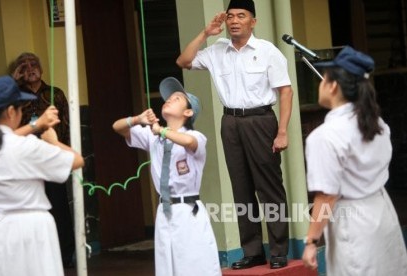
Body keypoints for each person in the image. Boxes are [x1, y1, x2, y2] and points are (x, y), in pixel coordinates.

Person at [176, 0, 292, 269]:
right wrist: (206, 33)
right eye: (230, 16)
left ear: (253, 21)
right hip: (230, 122)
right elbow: (184, 61)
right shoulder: (217, 50)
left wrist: (282, 131)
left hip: (261, 121)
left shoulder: (267, 51)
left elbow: (286, 91)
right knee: (241, 188)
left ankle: (278, 250)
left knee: (269, 188)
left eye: (241, 16)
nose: (234, 21)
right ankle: (252, 251)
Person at [301, 46, 407, 275]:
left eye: (324, 79)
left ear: (333, 86)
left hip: (353, 220)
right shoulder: (378, 124)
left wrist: (311, 241)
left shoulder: (325, 136)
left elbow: (327, 195)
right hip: (382, 211)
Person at [0, 76, 85, 276]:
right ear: (11, 111)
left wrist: (36, 124)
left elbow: (3, 140)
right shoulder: (27, 147)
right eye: (20, 108)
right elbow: (77, 160)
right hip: (28, 232)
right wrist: (53, 140)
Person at [113, 77, 221, 276]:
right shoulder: (153, 135)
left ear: (188, 112)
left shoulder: (195, 136)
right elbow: (118, 127)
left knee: (194, 265)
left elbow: (188, 141)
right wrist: (137, 120)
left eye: (177, 98)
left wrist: (162, 130)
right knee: (167, 266)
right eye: (169, 98)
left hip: (188, 210)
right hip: (165, 209)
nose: (169, 99)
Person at [10, 52, 75, 268]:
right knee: (32, 208)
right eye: (24, 66)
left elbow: (67, 124)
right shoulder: (15, 96)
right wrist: (14, 79)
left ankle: (65, 256)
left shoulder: (55, 94)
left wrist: (64, 153)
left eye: (34, 64)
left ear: (42, 68)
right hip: (26, 160)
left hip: (52, 156)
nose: (30, 68)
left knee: (59, 207)